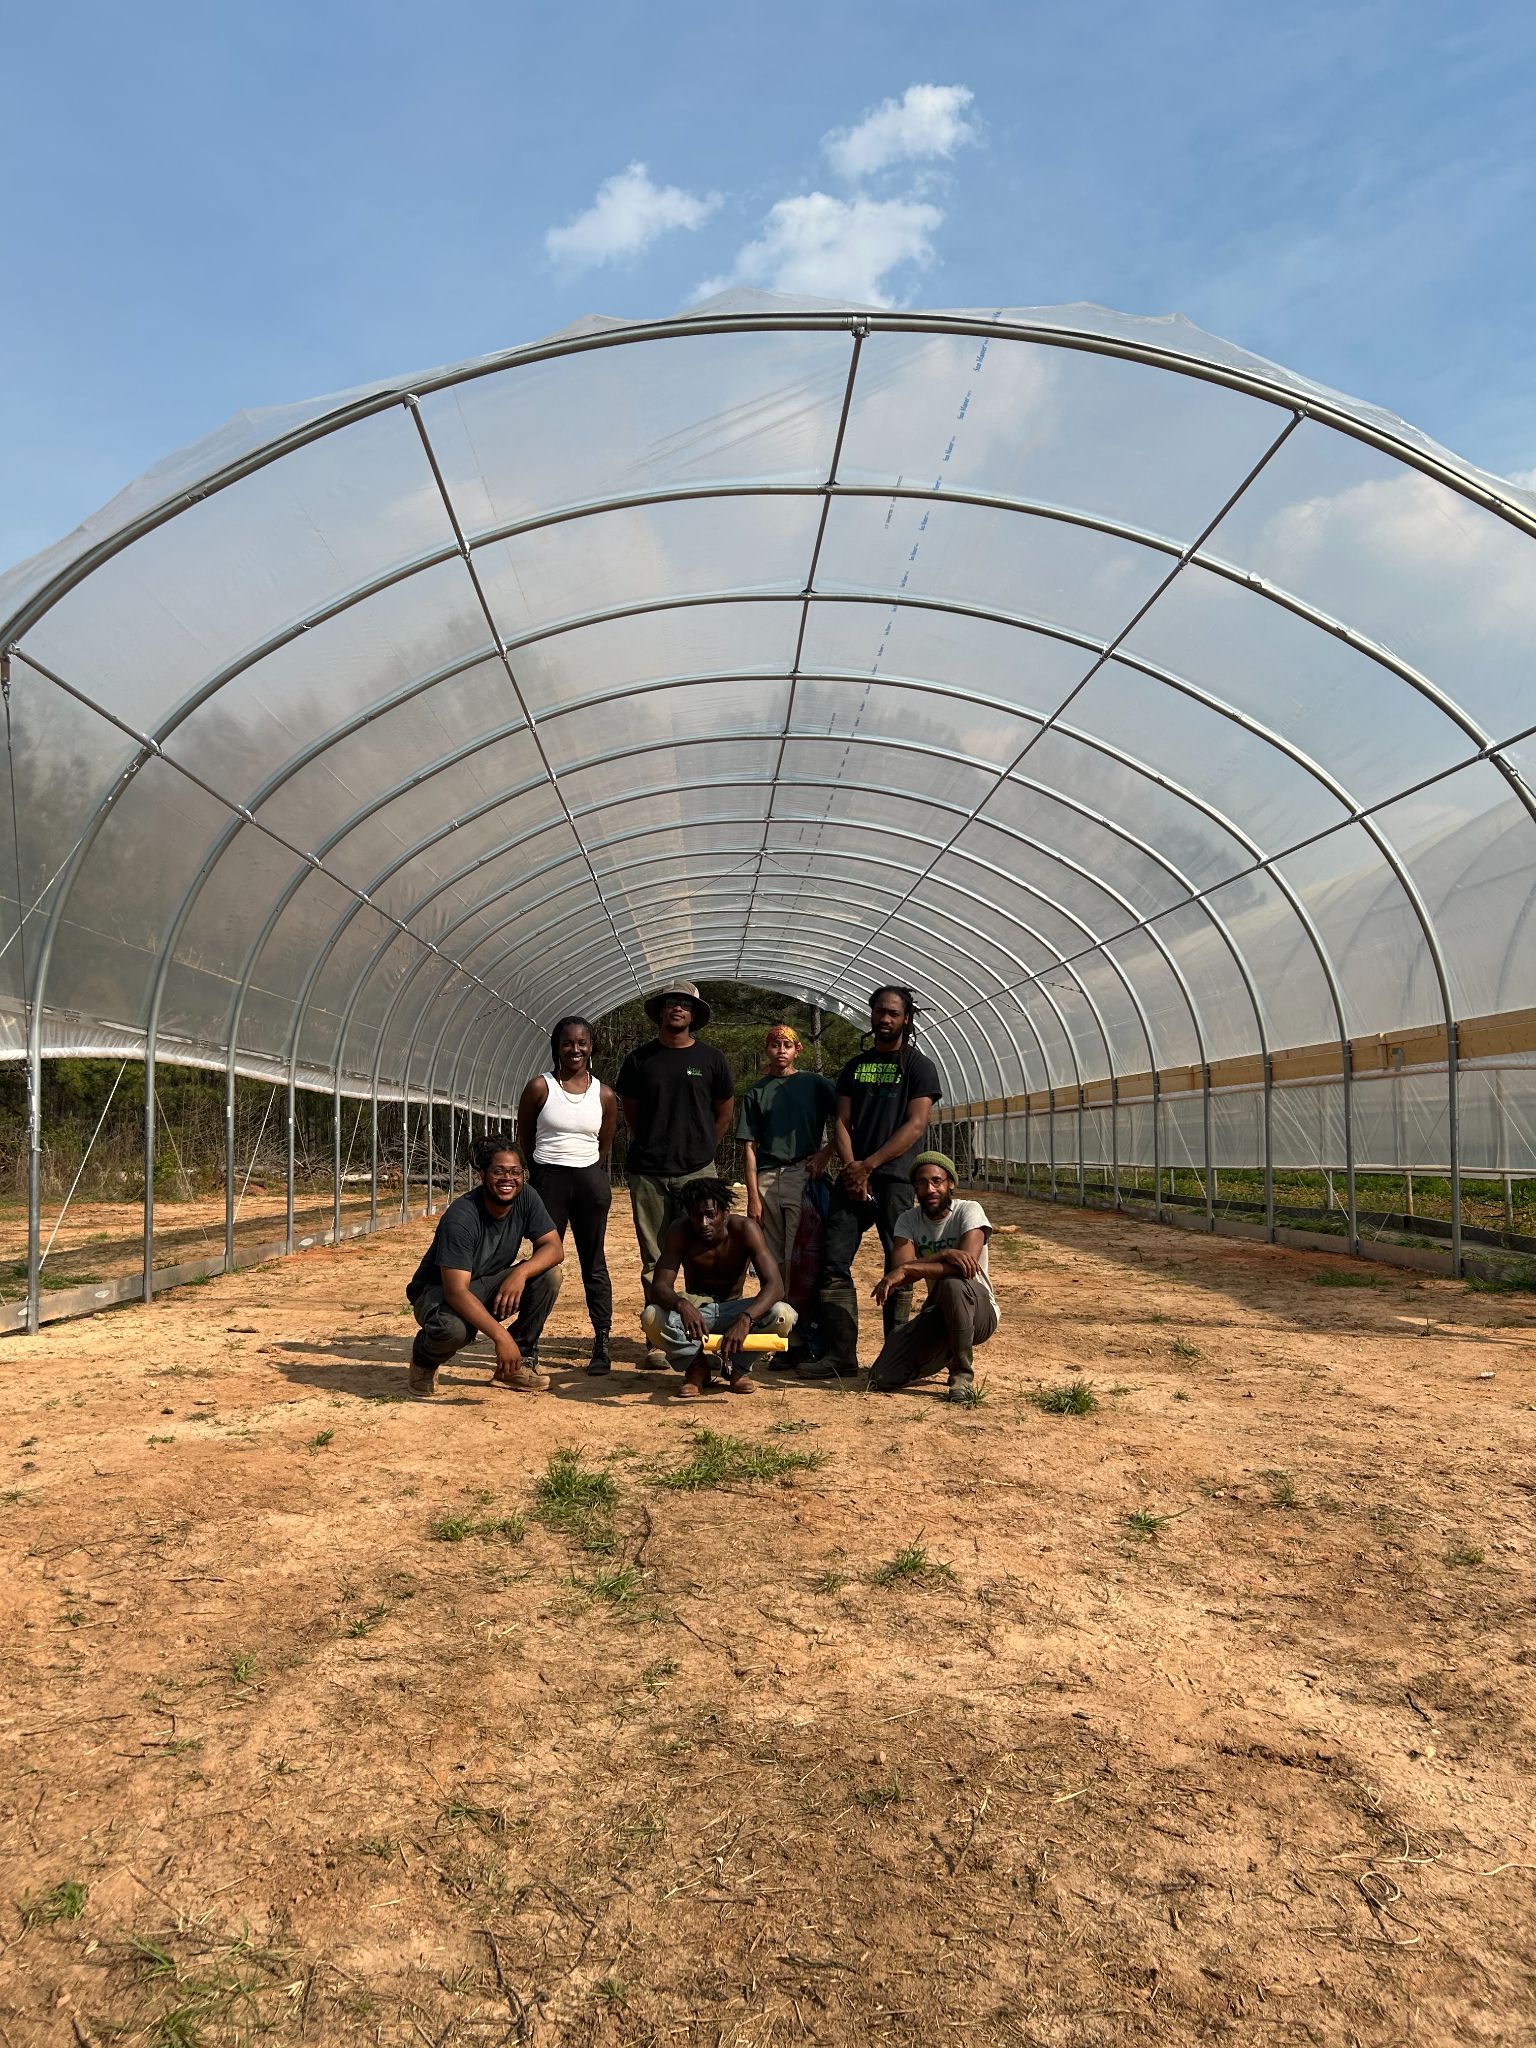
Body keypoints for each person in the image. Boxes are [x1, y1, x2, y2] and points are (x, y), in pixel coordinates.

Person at [803, 985, 943, 1380]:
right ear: (871, 1014)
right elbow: (842, 1122)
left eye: (893, 1014)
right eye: (880, 1011)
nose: (885, 1019)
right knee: (833, 1260)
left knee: (899, 1261)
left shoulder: (918, 1067)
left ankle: (895, 1357)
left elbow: (915, 1125)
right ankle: (840, 1355)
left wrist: (870, 1165)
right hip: (852, 1179)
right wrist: (851, 1169)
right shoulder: (854, 1067)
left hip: (897, 1178)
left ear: (907, 1019)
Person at [615, 982, 735, 1365]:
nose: (677, 1009)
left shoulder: (712, 1059)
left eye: (684, 1004)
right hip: (649, 1172)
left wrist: (703, 1150)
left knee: (705, 1251)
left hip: (698, 1170)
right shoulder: (639, 1061)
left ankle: (710, 1334)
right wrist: (655, 1144)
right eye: (670, 1003)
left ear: (694, 1014)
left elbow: (724, 1111)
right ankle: (660, 1337)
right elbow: (631, 1112)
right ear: (661, 1012)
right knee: (654, 1257)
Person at [404, 1137, 564, 1398]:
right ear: (482, 1175)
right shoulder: (461, 1217)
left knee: (549, 1275)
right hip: (438, 1294)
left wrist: (520, 1273)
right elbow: (455, 1291)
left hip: (484, 1283)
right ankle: (424, 1361)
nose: (507, 1179)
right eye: (498, 1171)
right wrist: (502, 1337)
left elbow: (554, 1248)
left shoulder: (526, 1197)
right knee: (454, 1330)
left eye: (515, 1172)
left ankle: (514, 1367)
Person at [517, 1016, 618, 1377]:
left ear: (591, 1047)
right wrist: (542, 1173)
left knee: (595, 1263)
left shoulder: (603, 1094)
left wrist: (588, 1172)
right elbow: (525, 1136)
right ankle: (527, 1344)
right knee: (544, 1262)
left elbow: (604, 1143)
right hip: (549, 1183)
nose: (575, 1050)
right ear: (556, 1047)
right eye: (567, 1043)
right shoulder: (540, 1088)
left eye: (582, 1043)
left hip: (589, 1183)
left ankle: (602, 1343)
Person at [641, 1178, 796, 1399]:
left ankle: (737, 1369)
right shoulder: (680, 1231)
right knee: (651, 1316)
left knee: (784, 1314)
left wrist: (745, 1319)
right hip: (697, 1314)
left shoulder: (745, 1229)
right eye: (696, 1215)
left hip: (734, 1310)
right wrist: (682, 1305)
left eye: (710, 1214)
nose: (703, 1223)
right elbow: (659, 1287)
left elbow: (775, 1286)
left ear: (725, 1211)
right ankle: (696, 1368)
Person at [869, 1152, 999, 1402]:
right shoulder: (908, 1220)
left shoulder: (969, 1211)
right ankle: (944, 1352)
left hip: (979, 1311)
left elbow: (965, 1268)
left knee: (952, 1283)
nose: (930, 1189)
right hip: (940, 1311)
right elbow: (901, 1271)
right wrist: (944, 1254)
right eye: (922, 1183)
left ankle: (961, 1375)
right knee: (882, 1377)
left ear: (950, 1183)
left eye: (936, 1181)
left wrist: (910, 1268)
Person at [736, 1023, 837, 1282]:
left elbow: (849, 1118)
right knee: (770, 1252)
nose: (781, 1050)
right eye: (775, 1044)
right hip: (766, 1177)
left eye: (787, 1045)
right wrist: (752, 1197)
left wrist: (828, 1151)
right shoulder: (756, 1092)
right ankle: (777, 1313)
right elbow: (749, 1147)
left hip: (801, 1174)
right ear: (767, 1050)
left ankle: (799, 1315)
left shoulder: (814, 1084)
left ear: (797, 1050)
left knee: (800, 1249)